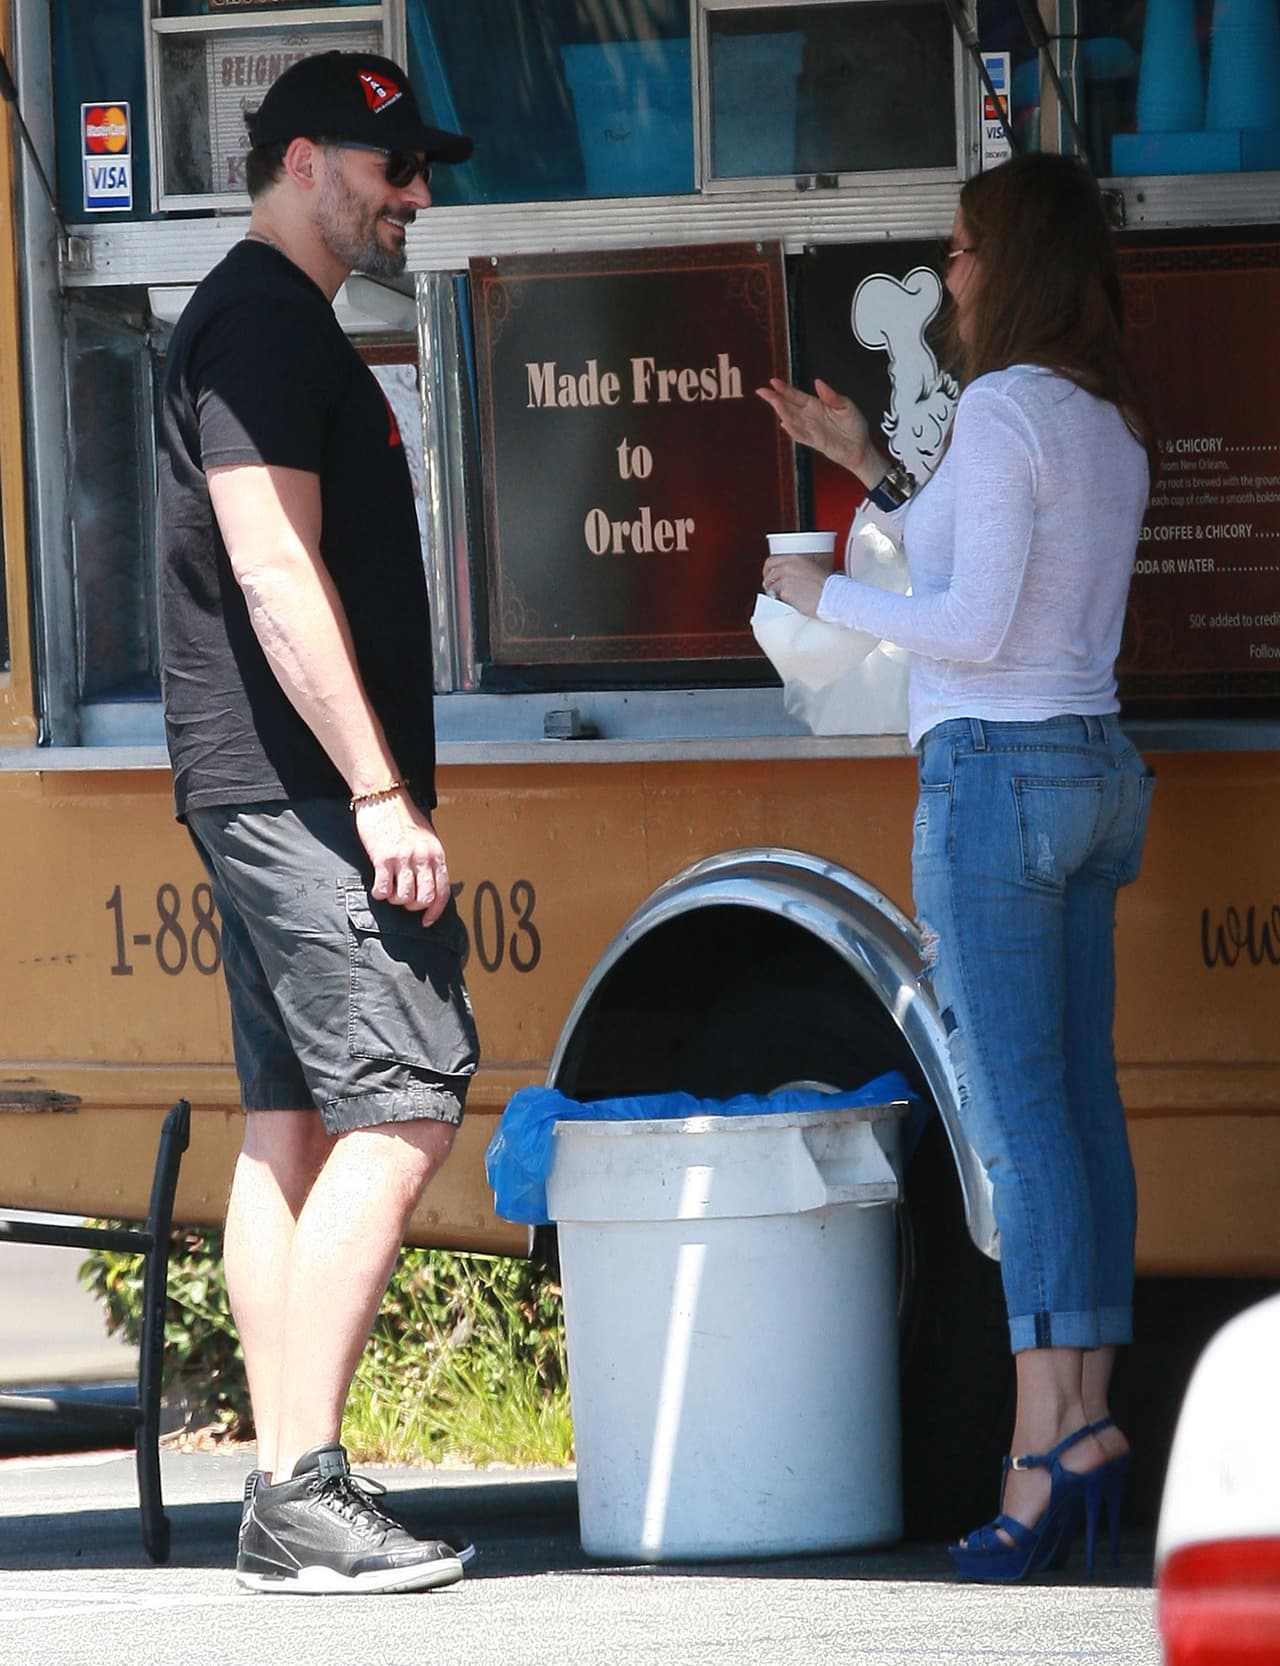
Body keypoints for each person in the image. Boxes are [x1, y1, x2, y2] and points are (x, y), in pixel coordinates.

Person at [758, 152, 1157, 1583]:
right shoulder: (1102, 419)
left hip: (997, 775)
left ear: (1019, 261)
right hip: (1097, 772)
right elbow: (987, 558)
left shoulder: (1002, 409)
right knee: (1082, 1109)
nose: (955, 269)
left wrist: (820, 590)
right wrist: (867, 462)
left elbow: (972, 618)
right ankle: (1092, 1416)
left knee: (1017, 1119)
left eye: (967, 248)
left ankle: (1043, 1441)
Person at [155, 52, 480, 1596]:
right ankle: (300, 1483)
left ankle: (284, 1491)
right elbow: (276, 573)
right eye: (389, 166)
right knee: (411, 1090)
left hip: (262, 782)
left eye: (419, 167)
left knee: (292, 1121)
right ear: (304, 162)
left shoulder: (275, 323)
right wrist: (374, 789)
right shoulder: (263, 327)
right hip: (297, 788)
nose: (415, 193)